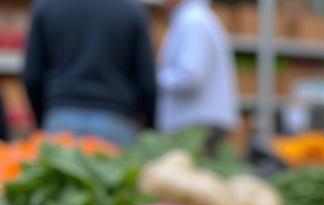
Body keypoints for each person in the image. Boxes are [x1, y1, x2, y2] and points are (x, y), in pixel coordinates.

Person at [22, 0, 156, 146]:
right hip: (115, 118)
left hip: (61, 115)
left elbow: (32, 76)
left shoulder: (46, 6)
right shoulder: (132, 11)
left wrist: (44, 115)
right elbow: (147, 83)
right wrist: (150, 126)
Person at [157, 0, 238, 153]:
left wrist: (155, 80)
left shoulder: (193, 21)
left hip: (196, 124)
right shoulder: (193, 18)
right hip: (198, 122)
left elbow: (190, 76)